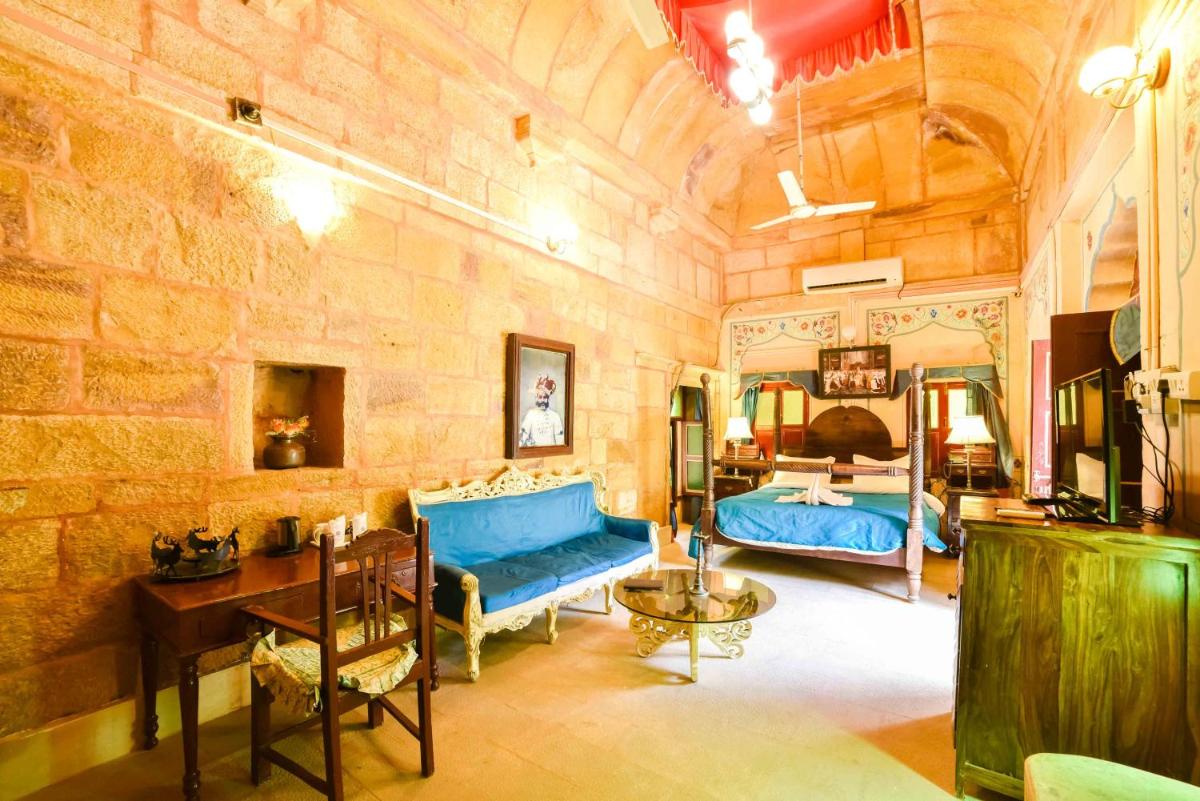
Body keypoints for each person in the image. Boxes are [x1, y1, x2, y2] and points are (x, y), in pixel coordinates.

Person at [519, 374, 565, 446]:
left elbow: (560, 442)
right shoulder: (530, 415)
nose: (542, 400)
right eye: (540, 397)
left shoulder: (555, 416)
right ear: (536, 398)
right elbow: (522, 438)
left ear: (548, 398)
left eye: (545, 397)